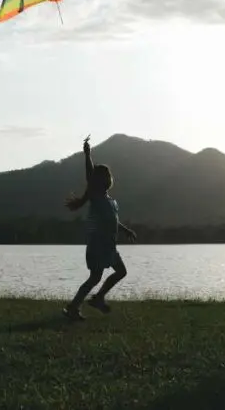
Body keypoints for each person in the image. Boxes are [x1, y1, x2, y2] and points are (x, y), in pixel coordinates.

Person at [63, 136, 137, 320]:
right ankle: (73, 307)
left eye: (108, 175)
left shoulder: (110, 201)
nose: (108, 178)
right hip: (98, 245)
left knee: (121, 272)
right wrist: (88, 155)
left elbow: (113, 220)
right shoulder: (96, 197)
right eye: (104, 175)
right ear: (98, 180)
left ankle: (98, 298)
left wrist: (125, 230)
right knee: (95, 278)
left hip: (109, 246)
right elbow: (89, 175)